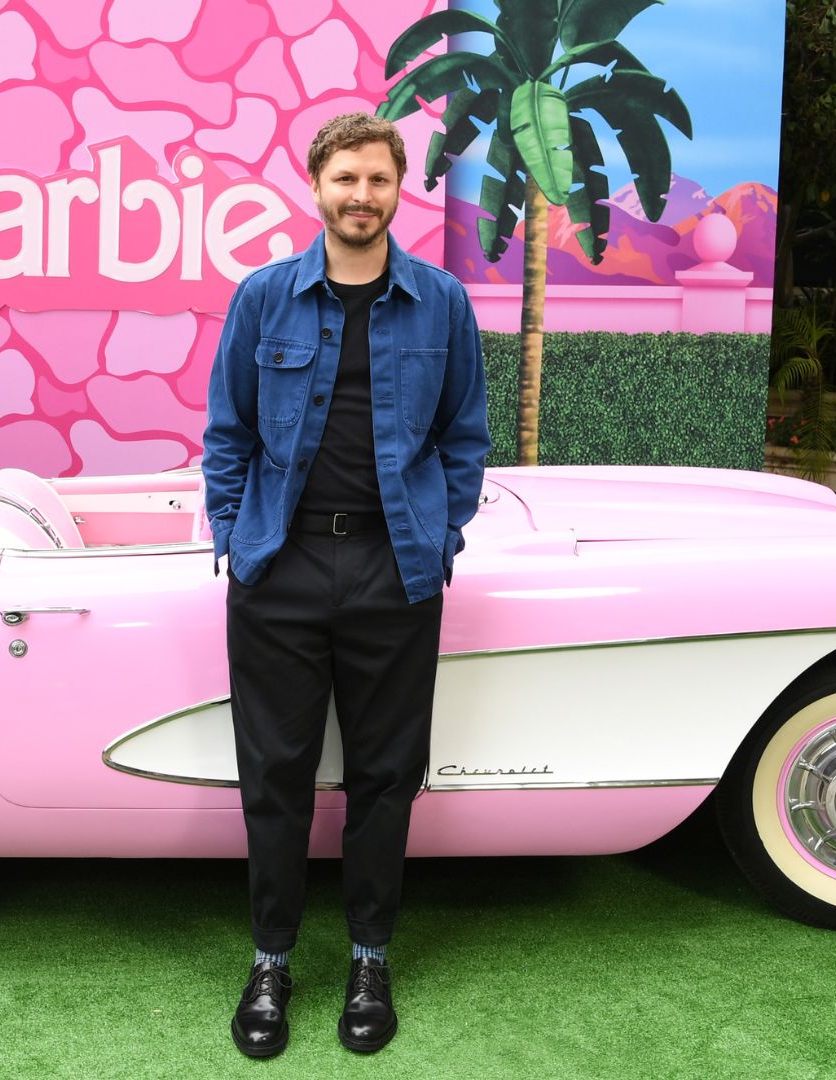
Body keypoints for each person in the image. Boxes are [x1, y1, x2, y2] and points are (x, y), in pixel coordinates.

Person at [200, 112, 490, 1057]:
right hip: (279, 569)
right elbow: (228, 433)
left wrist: (440, 537)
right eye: (345, 179)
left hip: (394, 568)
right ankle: (271, 962)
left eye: (378, 179)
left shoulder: (441, 302)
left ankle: (370, 959)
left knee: (385, 777)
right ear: (316, 186)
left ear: (398, 189)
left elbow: (464, 438)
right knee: (273, 777)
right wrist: (236, 538)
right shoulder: (264, 297)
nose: (361, 196)